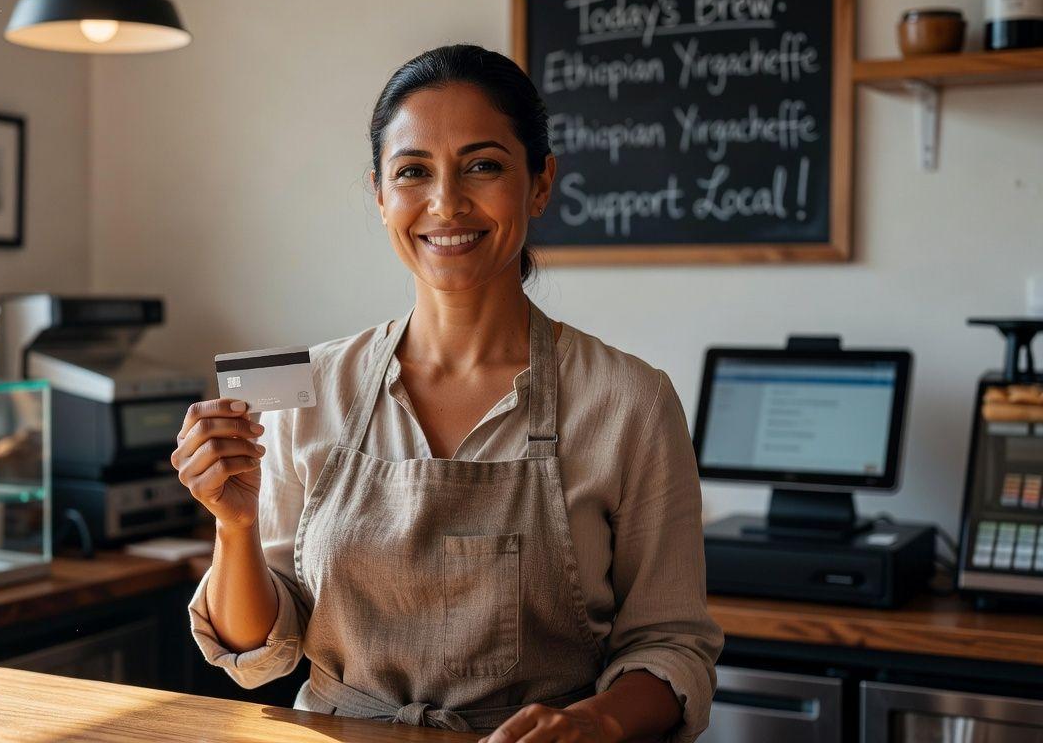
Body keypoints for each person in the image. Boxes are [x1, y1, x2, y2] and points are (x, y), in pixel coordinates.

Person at [175, 44, 722, 742]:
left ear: (540, 183)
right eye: (413, 172)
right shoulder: (309, 387)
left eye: (483, 165)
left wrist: (595, 723)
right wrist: (234, 526)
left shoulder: (630, 401)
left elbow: (672, 647)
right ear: (380, 195)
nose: (446, 202)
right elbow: (260, 655)